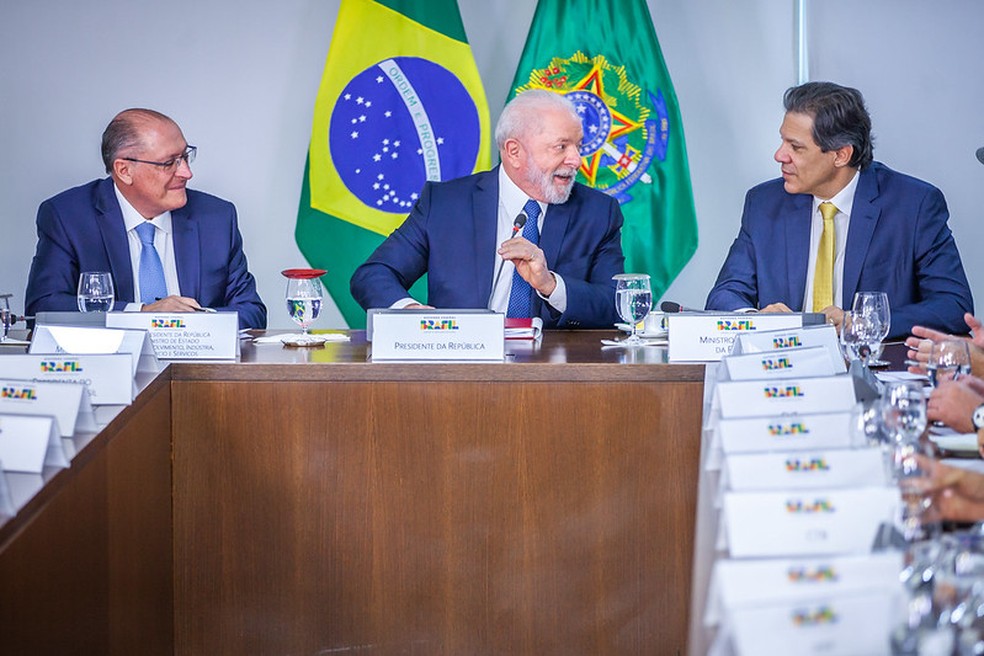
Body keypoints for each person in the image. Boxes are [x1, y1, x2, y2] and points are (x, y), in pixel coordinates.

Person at [705, 81, 972, 339]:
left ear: (841, 155)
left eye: (795, 147)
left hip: (874, 371)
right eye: (783, 141)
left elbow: (953, 306)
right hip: (785, 366)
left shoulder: (914, 205)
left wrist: (864, 323)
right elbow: (726, 293)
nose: (779, 155)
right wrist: (755, 318)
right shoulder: (764, 203)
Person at [350, 89, 625, 329]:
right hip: (460, 369)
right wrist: (409, 313)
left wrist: (551, 285)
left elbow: (617, 305)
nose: (576, 159)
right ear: (514, 151)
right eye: (561, 147)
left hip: (554, 376)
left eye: (577, 146)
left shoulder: (598, 213)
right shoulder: (445, 204)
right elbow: (372, 275)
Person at [25, 108, 266, 329]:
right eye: (169, 163)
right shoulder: (69, 217)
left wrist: (192, 323)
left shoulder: (216, 218)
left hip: (198, 371)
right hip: (109, 369)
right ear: (124, 170)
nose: (186, 172)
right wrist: (144, 314)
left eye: (185, 157)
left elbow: (252, 312)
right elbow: (44, 309)